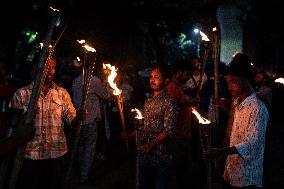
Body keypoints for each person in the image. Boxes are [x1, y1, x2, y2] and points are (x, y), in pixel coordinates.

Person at [9, 57, 85, 189]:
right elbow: (12, 128)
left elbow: (70, 118)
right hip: (30, 156)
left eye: (53, 67)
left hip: (56, 155)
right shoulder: (22, 94)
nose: (50, 71)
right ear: (36, 69)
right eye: (46, 67)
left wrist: (78, 118)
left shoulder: (62, 93)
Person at [204, 76, 269, 189]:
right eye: (227, 82)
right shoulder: (236, 103)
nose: (229, 87)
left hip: (247, 176)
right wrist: (224, 154)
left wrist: (221, 151)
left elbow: (252, 145)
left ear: (245, 80)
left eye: (233, 81)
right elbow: (234, 134)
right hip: (232, 170)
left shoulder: (257, 107)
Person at [123, 65, 178, 189]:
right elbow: (145, 126)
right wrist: (131, 135)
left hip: (161, 156)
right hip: (145, 157)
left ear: (166, 80)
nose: (152, 80)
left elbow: (169, 130)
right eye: (151, 77)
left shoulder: (169, 101)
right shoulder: (148, 101)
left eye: (156, 77)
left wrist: (150, 145)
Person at [72, 65, 111, 185]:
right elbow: (106, 95)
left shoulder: (76, 80)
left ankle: (80, 171)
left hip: (78, 121)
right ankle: (84, 176)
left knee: (81, 146)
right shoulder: (93, 80)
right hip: (89, 121)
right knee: (89, 148)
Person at [165, 59, 195, 189]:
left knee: (181, 171)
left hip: (182, 135)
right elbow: (178, 104)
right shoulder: (172, 87)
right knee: (178, 172)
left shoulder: (177, 87)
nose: (188, 77)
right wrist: (191, 101)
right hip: (177, 136)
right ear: (178, 72)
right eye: (187, 74)